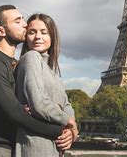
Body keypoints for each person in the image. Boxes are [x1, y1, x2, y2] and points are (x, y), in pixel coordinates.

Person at [0, 5, 75, 157]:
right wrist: (63, 129)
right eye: (18, 21)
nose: (25, 24)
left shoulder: (14, 64)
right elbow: (16, 114)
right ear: (1, 31)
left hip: (12, 147)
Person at [15, 13, 79, 157]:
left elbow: (67, 105)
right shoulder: (31, 57)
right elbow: (38, 103)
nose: (38, 37)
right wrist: (70, 122)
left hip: (52, 147)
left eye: (44, 32)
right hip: (35, 145)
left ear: (52, 37)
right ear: (26, 37)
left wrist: (70, 131)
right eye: (32, 32)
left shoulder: (53, 72)